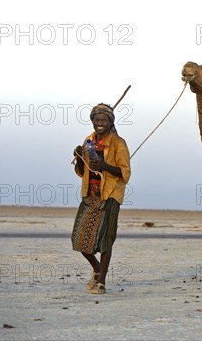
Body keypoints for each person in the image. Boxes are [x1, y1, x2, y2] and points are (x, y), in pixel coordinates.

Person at [72, 103, 131, 295]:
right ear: (93, 121)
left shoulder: (118, 143)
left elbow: (125, 173)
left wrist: (105, 165)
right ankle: (97, 269)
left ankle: (101, 282)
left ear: (110, 122)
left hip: (110, 195)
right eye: (97, 120)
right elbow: (82, 172)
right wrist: (80, 157)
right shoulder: (88, 140)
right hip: (90, 195)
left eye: (103, 120)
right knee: (79, 238)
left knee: (106, 240)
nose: (100, 123)